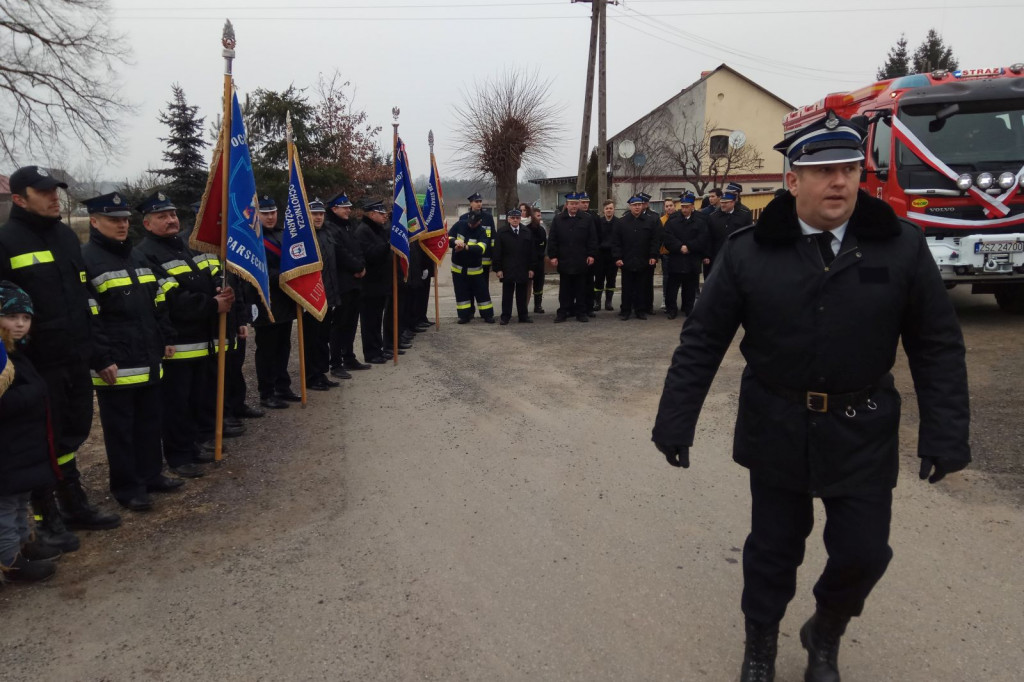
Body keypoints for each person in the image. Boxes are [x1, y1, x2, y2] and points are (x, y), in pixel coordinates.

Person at [651, 111, 970, 682]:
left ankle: (825, 630)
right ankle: (760, 648)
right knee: (774, 551)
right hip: (778, 424)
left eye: (849, 168)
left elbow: (937, 345)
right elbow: (702, 340)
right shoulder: (750, 252)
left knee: (864, 553)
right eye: (823, 171)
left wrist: (947, 433)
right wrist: (676, 420)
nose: (839, 182)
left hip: (863, 428)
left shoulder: (898, 248)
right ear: (792, 181)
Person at [0, 165, 121, 552]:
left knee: (72, 432)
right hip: (34, 364)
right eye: (44, 192)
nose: (54, 197)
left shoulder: (68, 237)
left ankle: (73, 504)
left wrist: (98, 353)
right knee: (41, 440)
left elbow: (86, 301)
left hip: (75, 357)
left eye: (55, 190)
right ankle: (42, 517)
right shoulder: (6, 241)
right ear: (20, 199)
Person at [81, 192, 183, 512]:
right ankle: (127, 487)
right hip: (116, 363)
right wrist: (101, 358)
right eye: (114, 220)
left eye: (124, 219)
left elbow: (158, 302)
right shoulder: (87, 260)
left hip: (149, 356)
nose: (122, 225)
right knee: (121, 430)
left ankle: (151, 474)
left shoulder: (136, 258)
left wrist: (166, 336)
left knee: (151, 421)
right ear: (94, 222)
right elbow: (88, 317)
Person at [134, 191, 240, 479]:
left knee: (196, 398)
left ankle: (192, 446)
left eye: (172, 215)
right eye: (162, 216)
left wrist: (223, 291)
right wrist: (211, 304)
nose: (170, 220)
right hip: (178, 343)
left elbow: (209, 278)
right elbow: (171, 298)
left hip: (202, 340)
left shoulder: (183, 246)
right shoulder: (146, 253)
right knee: (176, 405)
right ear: (147, 224)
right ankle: (179, 456)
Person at [0, 281, 62, 583]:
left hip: (22, 445)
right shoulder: (2, 358)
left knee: (21, 498)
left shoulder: (17, 350)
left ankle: (26, 543)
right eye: (12, 317)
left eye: (25, 318)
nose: (20, 324)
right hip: (7, 449)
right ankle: (9, 560)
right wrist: (34, 392)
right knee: (5, 506)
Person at [252, 195, 300, 409]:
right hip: (265, 301)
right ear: (257, 214)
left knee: (283, 346)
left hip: (285, 299)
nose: (270, 217)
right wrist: (284, 275)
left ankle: (283, 386)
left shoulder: (283, 235)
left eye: (272, 212)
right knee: (267, 349)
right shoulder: (252, 239)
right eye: (265, 213)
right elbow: (256, 270)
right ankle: (267, 392)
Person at [321, 193, 369, 376]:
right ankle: (336, 363)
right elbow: (340, 253)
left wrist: (362, 265)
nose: (349, 210)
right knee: (339, 324)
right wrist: (357, 266)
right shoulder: (330, 228)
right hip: (342, 282)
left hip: (355, 281)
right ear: (334, 209)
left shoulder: (348, 226)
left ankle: (348, 356)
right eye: (345, 207)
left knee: (351, 322)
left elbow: (357, 249)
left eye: (349, 207)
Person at [354, 198, 395, 361]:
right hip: (370, 284)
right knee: (369, 321)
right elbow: (371, 254)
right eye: (381, 213)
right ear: (372, 214)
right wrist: (388, 245)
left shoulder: (377, 229)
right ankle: (371, 353)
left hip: (380, 283)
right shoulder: (363, 231)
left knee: (377, 319)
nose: (385, 216)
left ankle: (378, 349)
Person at [546, 192, 597, 323]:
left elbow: (592, 239)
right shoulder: (558, 219)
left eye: (576, 204)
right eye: (571, 204)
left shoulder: (586, 218)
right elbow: (552, 239)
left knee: (581, 288)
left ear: (579, 205)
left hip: (581, 259)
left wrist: (591, 254)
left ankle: (581, 312)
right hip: (564, 259)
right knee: (565, 289)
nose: (574, 206)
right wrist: (553, 256)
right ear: (567, 205)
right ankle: (563, 312)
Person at [661, 192, 709, 319]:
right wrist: (679, 247)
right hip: (676, 258)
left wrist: (689, 247)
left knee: (690, 287)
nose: (684, 209)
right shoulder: (673, 220)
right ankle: (671, 309)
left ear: (692, 206)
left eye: (687, 207)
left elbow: (703, 238)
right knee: (672, 288)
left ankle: (688, 308)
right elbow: (667, 237)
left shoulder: (700, 220)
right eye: (682, 206)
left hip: (692, 259)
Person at [612, 195, 659, 320]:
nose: (637, 207)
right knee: (627, 287)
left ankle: (640, 311)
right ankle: (625, 310)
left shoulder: (650, 221)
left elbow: (655, 240)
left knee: (641, 287)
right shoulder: (622, 222)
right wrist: (617, 257)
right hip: (627, 260)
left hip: (643, 260)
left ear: (642, 205)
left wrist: (653, 255)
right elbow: (616, 242)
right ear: (630, 206)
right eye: (634, 205)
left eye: (639, 205)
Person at [448, 211, 496, 325]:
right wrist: (455, 242)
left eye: (474, 223)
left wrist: (465, 247)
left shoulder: (482, 232)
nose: (471, 225)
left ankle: (488, 315)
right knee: (461, 294)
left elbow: (481, 248)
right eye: (470, 222)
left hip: (475, 270)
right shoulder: (460, 224)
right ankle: (464, 316)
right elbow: (448, 237)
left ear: (479, 222)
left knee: (482, 294)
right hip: (458, 269)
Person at [492, 208, 535, 324]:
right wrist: (498, 269)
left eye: (517, 218)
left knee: (522, 294)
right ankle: (505, 316)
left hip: (523, 267)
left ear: (520, 219)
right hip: (507, 268)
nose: (515, 220)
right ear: (508, 219)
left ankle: (523, 316)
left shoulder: (526, 232)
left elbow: (531, 252)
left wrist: (531, 268)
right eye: (513, 218)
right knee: (507, 294)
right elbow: (497, 252)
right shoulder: (502, 232)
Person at [706, 187, 753, 275]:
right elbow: (709, 237)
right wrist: (707, 255)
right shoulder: (713, 217)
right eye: (722, 202)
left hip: (738, 255)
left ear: (733, 202)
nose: (723, 205)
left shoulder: (744, 215)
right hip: (718, 255)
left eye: (726, 203)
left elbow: (748, 236)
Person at [460, 192, 496, 286]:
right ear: (471, 203)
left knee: (483, 287)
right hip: (469, 258)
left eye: (480, 201)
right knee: (469, 287)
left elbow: (492, 238)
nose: (479, 203)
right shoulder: (463, 218)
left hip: (485, 258)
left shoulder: (488, 217)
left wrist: (493, 256)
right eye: (476, 201)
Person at [593, 200, 619, 311]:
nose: (609, 210)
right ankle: (597, 302)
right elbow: (595, 239)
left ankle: (608, 302)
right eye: (607, 208)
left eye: (611, 208)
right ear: (604, 210)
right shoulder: (598, 222)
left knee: (611, 279)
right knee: (599, 279)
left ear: (614, 209)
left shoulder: (619, 223)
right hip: (600, 256)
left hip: (613, 256)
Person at [528, 207, 548, 314]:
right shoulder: (527, 229)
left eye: (540, 215)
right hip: (529, 261)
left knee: (539, 284)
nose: (540, 218)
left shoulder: (541, 230)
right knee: (527, 285)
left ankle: (538, 305)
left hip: (539, 260)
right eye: (538, 216)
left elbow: (543, 244)